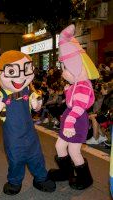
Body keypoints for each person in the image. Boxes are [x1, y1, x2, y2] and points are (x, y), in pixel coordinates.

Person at [0, 50, 56, 195]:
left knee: (36, 156)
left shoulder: (28, 90)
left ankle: (40, 178)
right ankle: (15, 182)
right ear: (1, 74)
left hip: (30, 134)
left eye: (25, 71)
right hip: (13, 136)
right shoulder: (0, 95)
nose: (21, 77)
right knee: (16, 159)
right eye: (13, 72)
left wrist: (37, 104)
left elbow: (38, 102)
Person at [48, 24, 100, 190]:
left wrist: (69, 123)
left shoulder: (83, 86)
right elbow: (72, 103)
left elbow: (78, 108)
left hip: (76, 122)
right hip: (70, 119)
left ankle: (85, 179)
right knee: (59, 146)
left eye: (65, 68)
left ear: (77, 69)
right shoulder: (78, 84)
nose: (63, 72)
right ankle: (66, 173)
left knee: (74, 151)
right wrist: (67, 91)